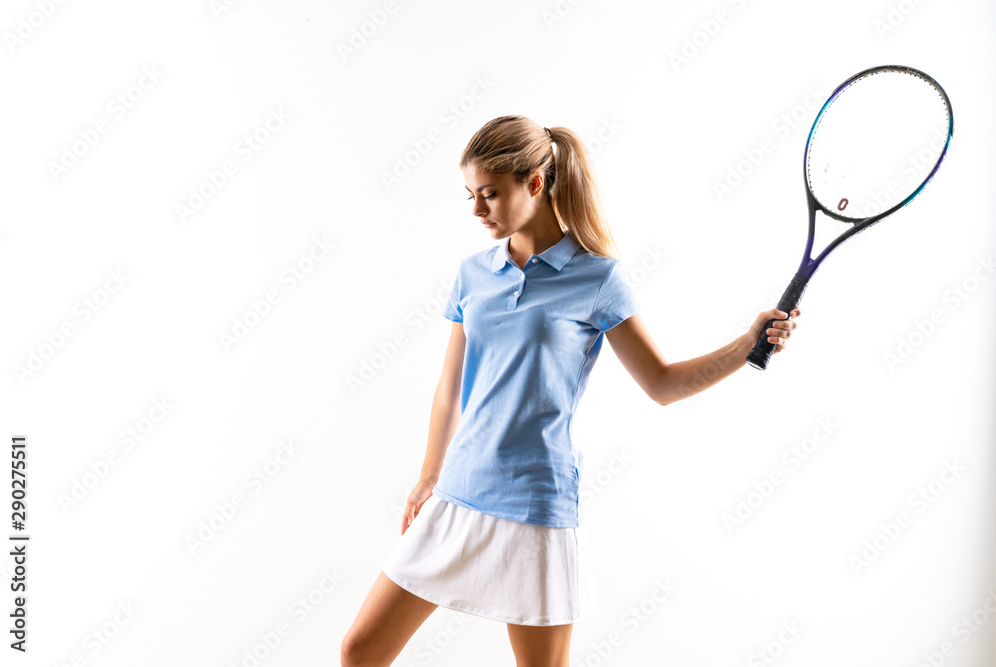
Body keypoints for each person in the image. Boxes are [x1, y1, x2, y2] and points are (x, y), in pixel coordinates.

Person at [340, 116, 800, 667]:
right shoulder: (473, 273)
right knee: (360, 651)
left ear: (535, 183)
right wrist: (427, 475)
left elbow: (662, 384)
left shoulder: (599, 279)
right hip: (458, 493)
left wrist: (746, 343)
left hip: (537, 503)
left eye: (490, 194)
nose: (477, 209)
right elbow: (449, 387)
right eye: (470, 194)